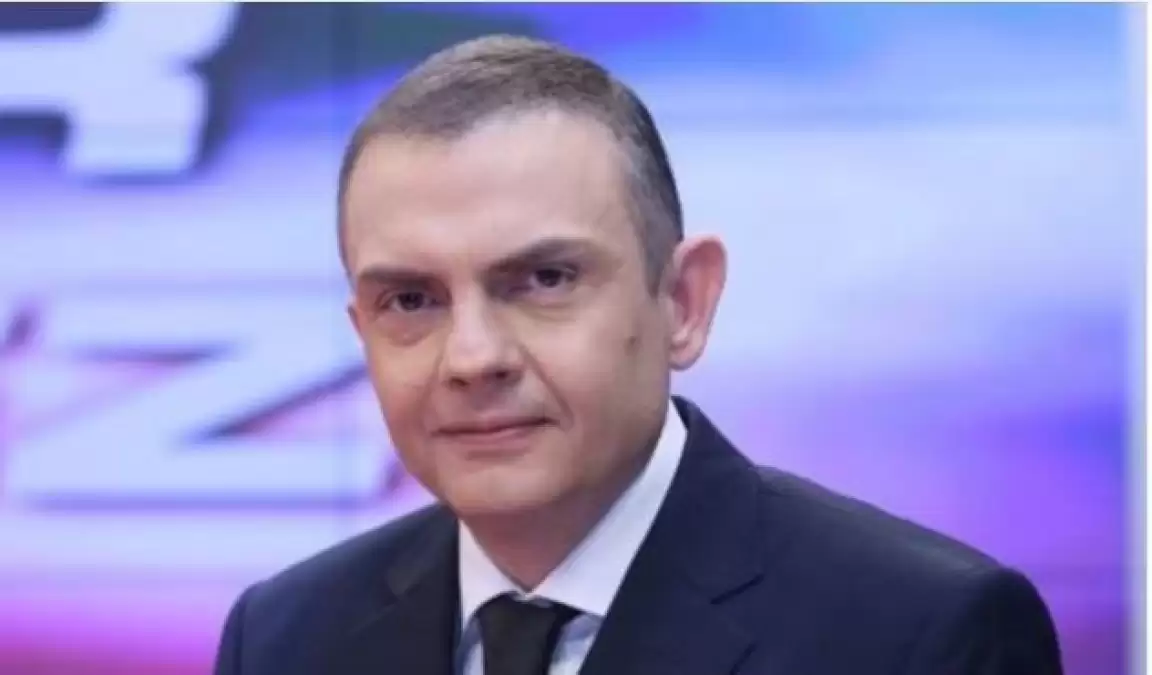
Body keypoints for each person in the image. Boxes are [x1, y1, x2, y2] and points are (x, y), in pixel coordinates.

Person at [213, 35, 1063, 675]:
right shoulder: (285, 637)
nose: (471, 357)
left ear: (684, 301)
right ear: (362, 331)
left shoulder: (921, 633)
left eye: (544, 279)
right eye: (411, 300)